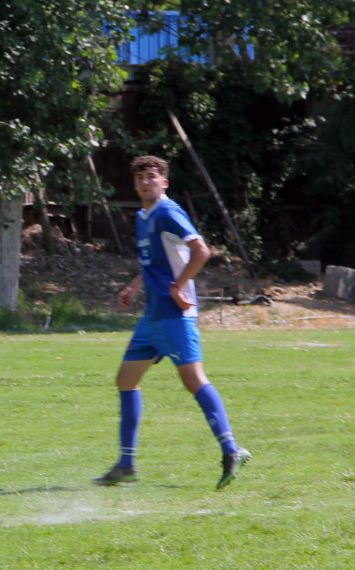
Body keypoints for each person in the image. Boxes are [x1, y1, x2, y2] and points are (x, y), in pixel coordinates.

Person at [95, 155, 251, 490]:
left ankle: (231, 449)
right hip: (152, 316)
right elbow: (152, 262)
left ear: (164, 182)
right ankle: (126, 464)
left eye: (153, 176)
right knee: (126, 379)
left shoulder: (168, 211)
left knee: (193, 380)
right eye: (140, 177)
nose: (146, 181)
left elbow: (201, 251)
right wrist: (134, 286)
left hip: (175, 315)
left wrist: (179, 286)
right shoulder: (142, 216)